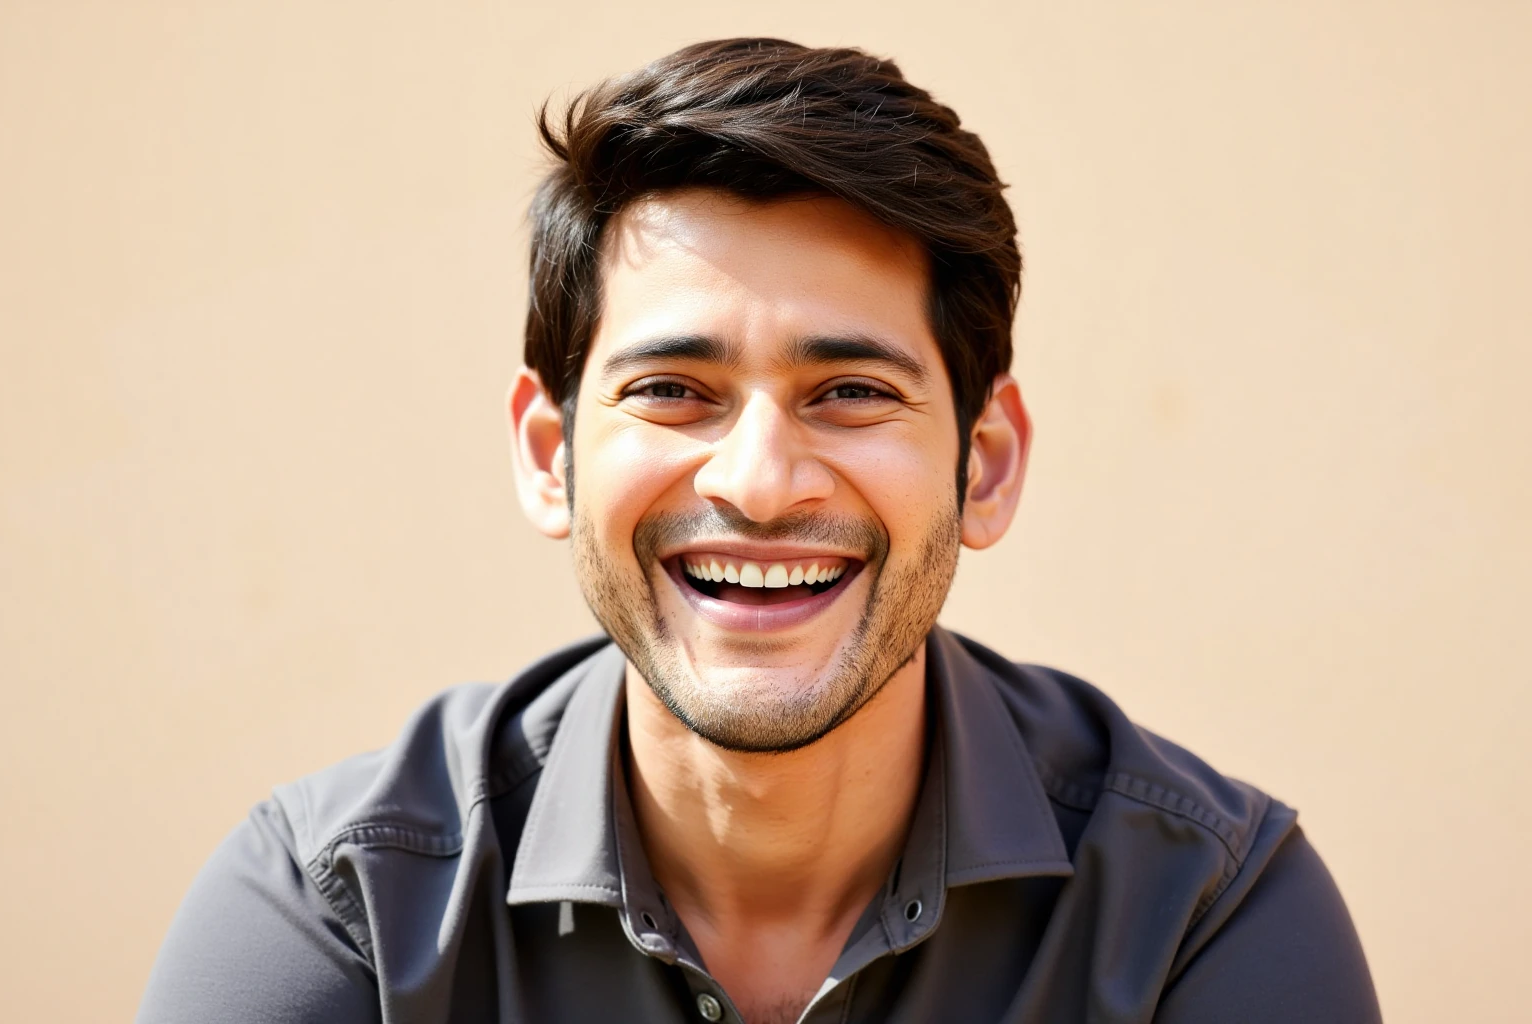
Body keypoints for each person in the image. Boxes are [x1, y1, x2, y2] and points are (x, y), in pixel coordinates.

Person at [137, 38, 1381, 1024]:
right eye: (674, 390)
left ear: (983, 464)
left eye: (850, 392)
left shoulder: (1200, 917)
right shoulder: (342, 916)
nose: (764, 480)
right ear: (549, 454)